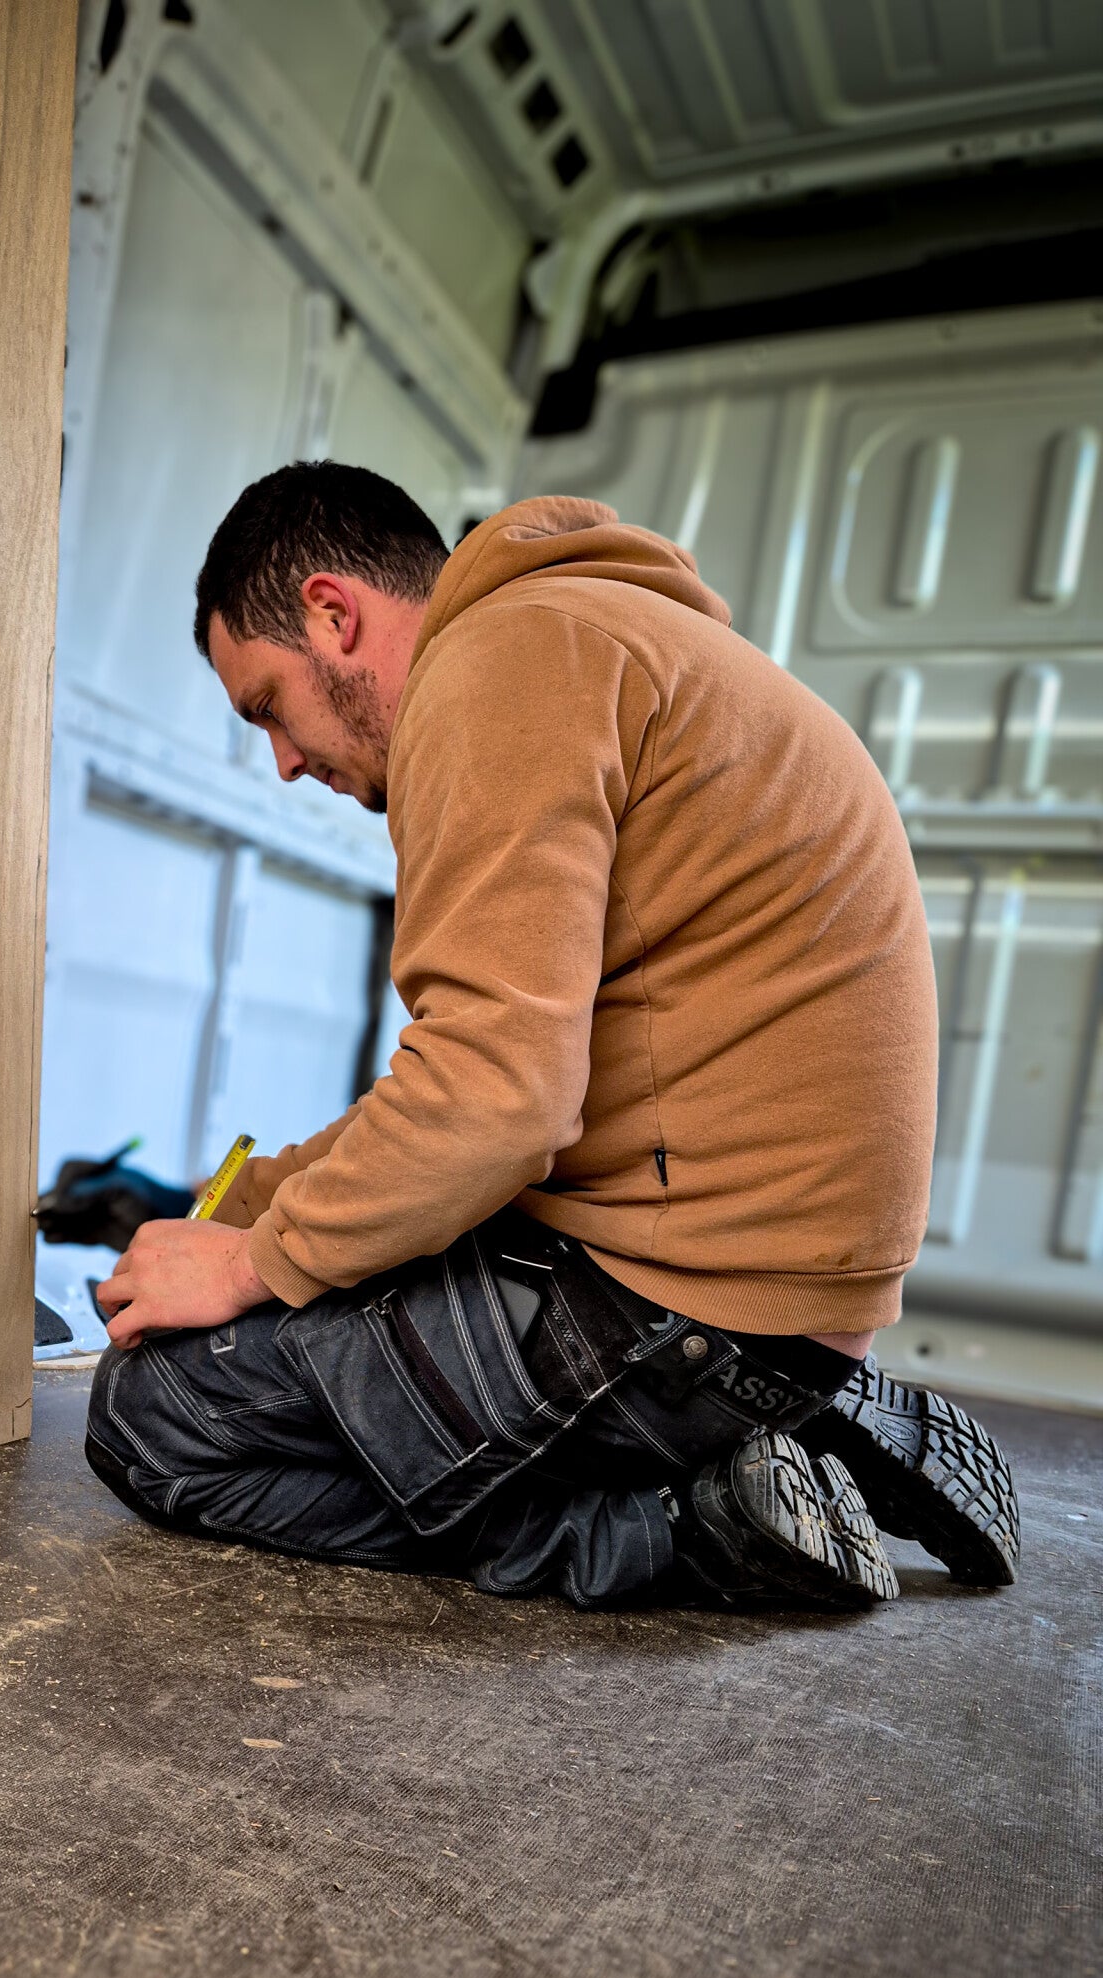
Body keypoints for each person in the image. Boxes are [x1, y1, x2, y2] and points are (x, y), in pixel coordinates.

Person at [85, 466, 1019, 1608]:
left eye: (268, 706)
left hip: (685, 1312)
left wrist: (247, 1263)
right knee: (341, 1258)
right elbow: (470, 1086)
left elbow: (495, 1103)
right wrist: (248, 1205)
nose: (281, 762)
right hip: (782, 1294)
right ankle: (788, 1417)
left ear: (332, 613)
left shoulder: (498, 668)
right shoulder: (598, 633)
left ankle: (681, 1525)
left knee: (161, 1411)